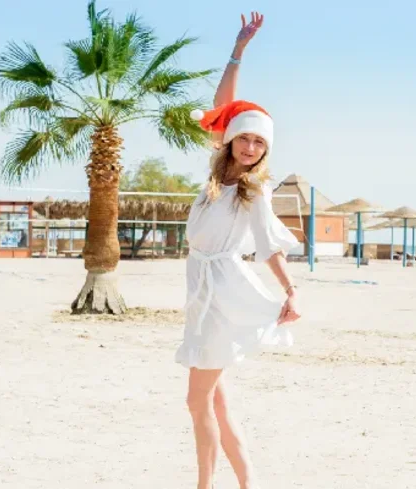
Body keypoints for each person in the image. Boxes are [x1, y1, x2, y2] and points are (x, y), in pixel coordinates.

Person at [174, 12, 302, 489]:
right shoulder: (217, 176)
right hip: (201, 290)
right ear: (230, 141)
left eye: (259, 142)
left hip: (224, 293)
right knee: (216, 400)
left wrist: (291, 290)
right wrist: (238, 51)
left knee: (196, 400)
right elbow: (222, 105)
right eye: (244, 138)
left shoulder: (254, 189)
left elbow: (268, 245)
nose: (250, 147)